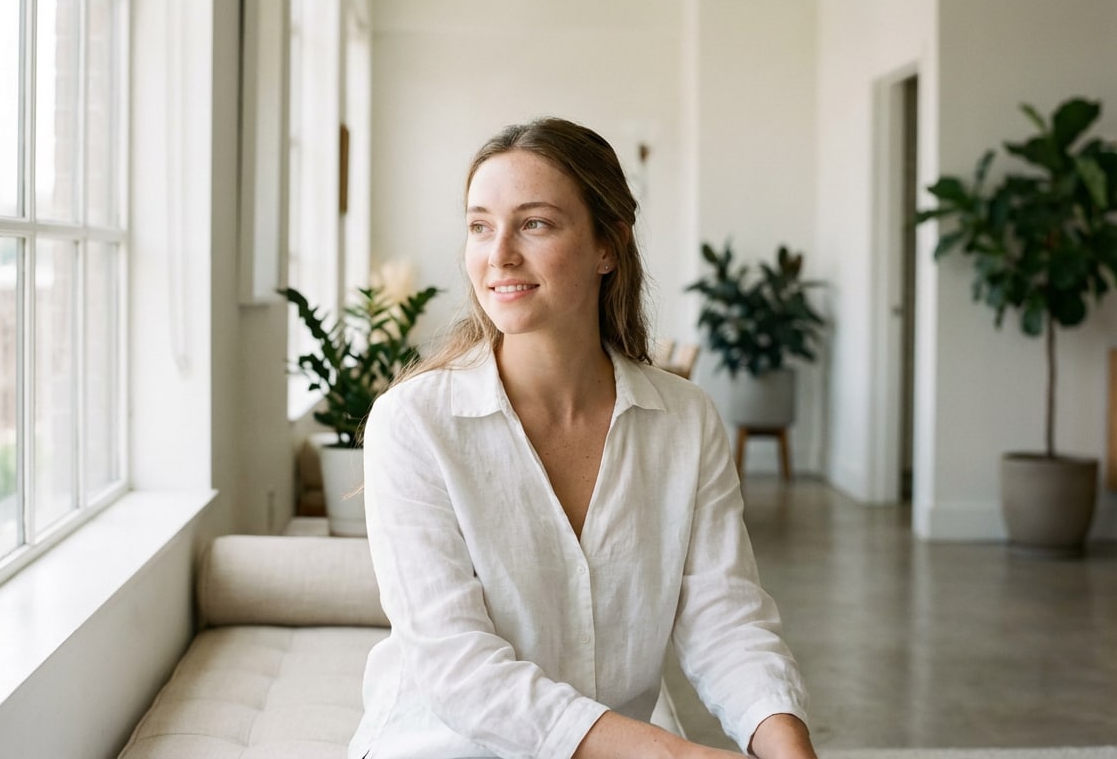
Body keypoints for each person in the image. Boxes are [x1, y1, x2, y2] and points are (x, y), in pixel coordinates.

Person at [348, 118, 817, 759]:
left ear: (608, 247)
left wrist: (788, 745)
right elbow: (459, 669)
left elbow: (724, 618)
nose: (499, 253)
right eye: (480, 225)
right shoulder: (414, 423)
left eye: (534, 223)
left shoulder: (685, 420)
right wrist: (674, 753)